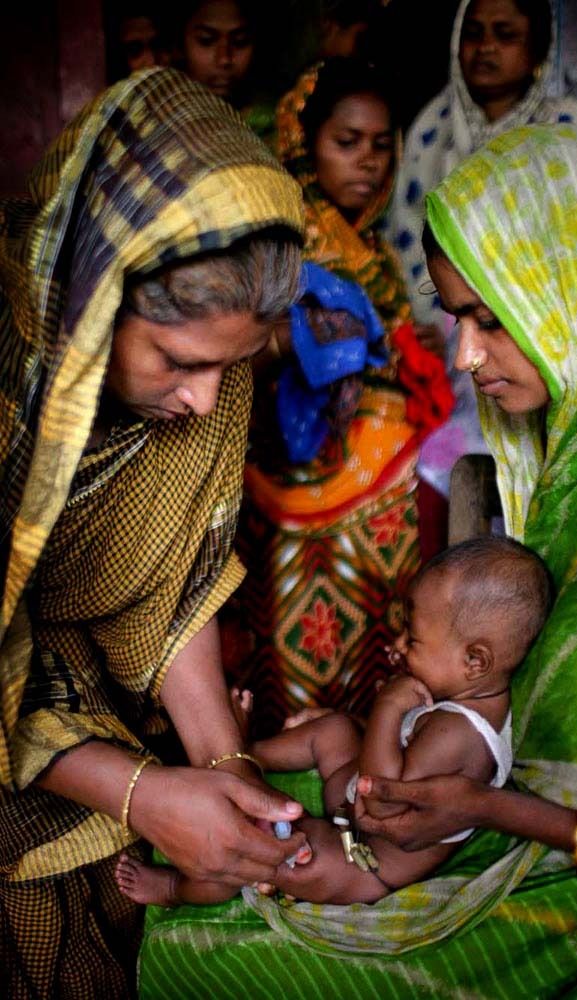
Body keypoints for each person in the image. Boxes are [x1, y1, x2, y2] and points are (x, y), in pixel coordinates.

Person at [138, 123, 577, 1000]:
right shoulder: (576, 449)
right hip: (488, 811)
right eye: (455, 316)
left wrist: (484, 807)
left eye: (490, 320)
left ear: (576, 291)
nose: (462, 355)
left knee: (212, 952)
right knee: (209, 824)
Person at [0, 67, 312, 998]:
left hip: (88, 712)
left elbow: (176, 582)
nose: (207, 400)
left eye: (236, 363)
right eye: (178, 361)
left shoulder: (206, 376)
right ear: (92, 307)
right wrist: (142, 793)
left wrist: (225, 766)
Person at [115, 535, 553, 907]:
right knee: (336, 729)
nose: (399, 645)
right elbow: (396, 747)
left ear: (474, 661)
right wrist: (379, 719)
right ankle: (237, 755)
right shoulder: (467, 699)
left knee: (264, 848)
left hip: (361, 857)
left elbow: (379, 806)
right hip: (351, 794)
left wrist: (387, 706)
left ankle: (176, 887)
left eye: (413, 639)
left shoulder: (460, 736)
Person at [223, 57, 453, 737]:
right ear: (301, 140)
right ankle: (303, 754)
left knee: (381, 629)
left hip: (379, 485)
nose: (369, 163)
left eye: (382, 145)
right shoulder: (283, 245)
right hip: (297, 479)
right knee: (303, 641)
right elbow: (247, 354)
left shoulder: (375, 249)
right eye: (346, 142)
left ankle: (364, 750)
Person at [388, 0, 577, 550]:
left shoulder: (565, 125)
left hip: (532, 339)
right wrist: (424, 317)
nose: (485, 47)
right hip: (446, 342)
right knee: (444, 474)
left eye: (505, 34)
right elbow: (408, 236)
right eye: (474, 33)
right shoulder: (433, 129)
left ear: (536, 52)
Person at [174, 0, 281, 145]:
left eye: (240, 42)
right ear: (179, 47)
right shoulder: (157, 123)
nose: (224, 59)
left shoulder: (279, 122)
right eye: (206, 40)